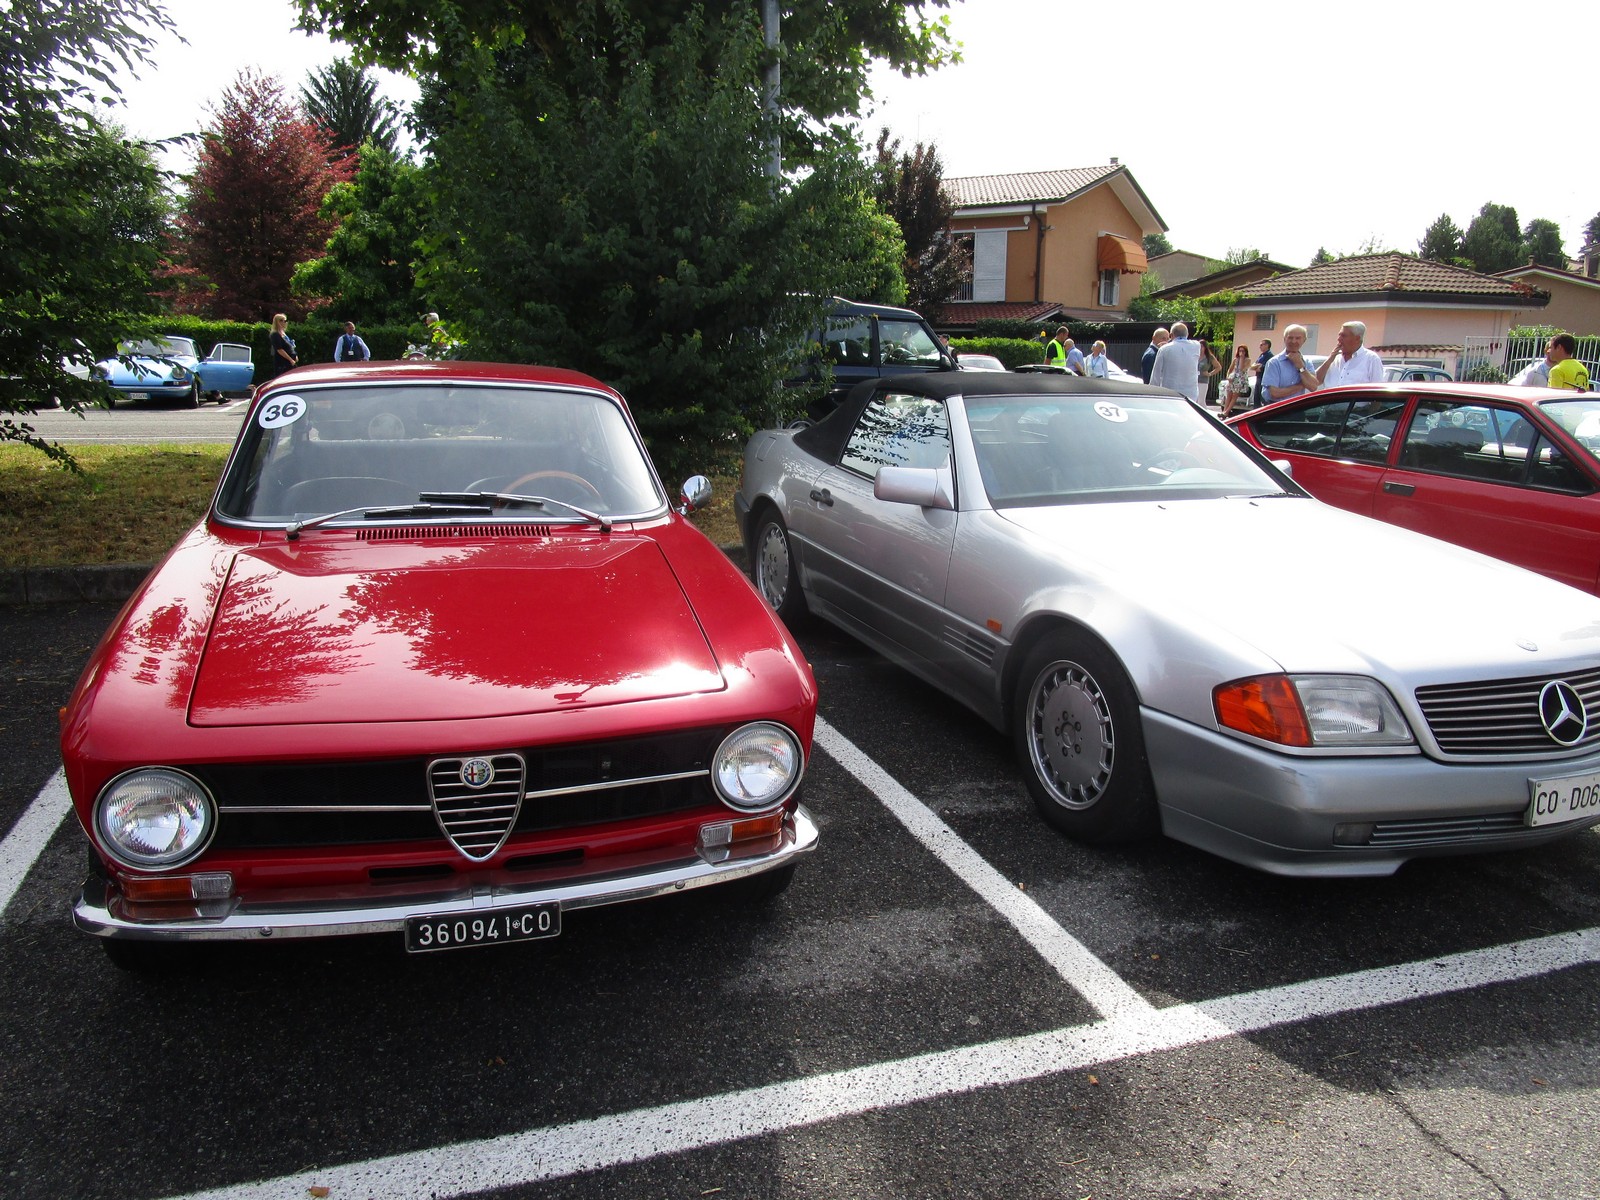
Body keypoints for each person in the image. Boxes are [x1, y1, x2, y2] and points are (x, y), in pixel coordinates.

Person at [1260, 324, 1319, 403]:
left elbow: (1313, 387)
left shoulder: (1307, 362)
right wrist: (1303, 385)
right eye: (1290, 338)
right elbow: (1274, 393)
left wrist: (1300, 366)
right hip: (1277, 407)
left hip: (1298, 407)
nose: (1293, 341)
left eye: (1298, 338)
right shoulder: (1274, 362)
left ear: (1304, 340)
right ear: (1284, 339)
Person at [1314, 321, 1384, 387]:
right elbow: (1315, 382)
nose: (1339, 339)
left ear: (1357, 338)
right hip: (1331, 396)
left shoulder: (1371, 359)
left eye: (1343, 336)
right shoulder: (1334, 358)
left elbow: (1377, 390)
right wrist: (1329, 360)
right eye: (1339, 335)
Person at [1221, 344, 1253, 416]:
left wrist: (1241, 358)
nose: (1241, 352)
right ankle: (1224, 411)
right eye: (1240, 351)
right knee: (1229, 394)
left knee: (1235, 395)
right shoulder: (1235, 360)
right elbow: (1230, 369)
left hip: (1240, 379)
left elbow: (1241, 369)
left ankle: (1226, 412)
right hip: (1233, 378)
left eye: (1243, 351)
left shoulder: (1248, 360)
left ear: (1245, 352)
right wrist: (1228, 376)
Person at [266, 313, 297, 378]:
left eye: (285, 321)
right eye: (282, 320)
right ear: (277, 322)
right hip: (283, 363)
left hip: (290, 362)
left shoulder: (283, 334)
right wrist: (290, 359)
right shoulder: (275, 335)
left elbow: (289, 345)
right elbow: (279, 349)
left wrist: (295, 356)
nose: (284, 322)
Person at [1197, 339, 1223, 405]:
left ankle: (1203, 411)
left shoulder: (1209, 357)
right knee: (1195, 400)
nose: (1200, 348)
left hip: (1203, 381)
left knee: (1201, 401)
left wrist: (1210, 374)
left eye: (1202, 346)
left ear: (1205, 347)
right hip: (1194, 380)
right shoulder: (1195, 355)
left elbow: (1218, 367)